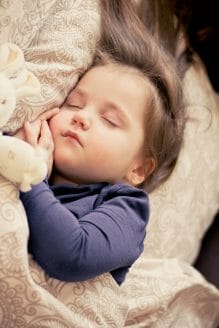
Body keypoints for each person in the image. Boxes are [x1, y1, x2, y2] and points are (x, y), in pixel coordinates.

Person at [18, 0, 185, 286]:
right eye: (73, 104)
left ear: (138, 169)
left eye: (110, 120)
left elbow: (72, 255)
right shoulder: (34, 155)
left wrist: (30, 175)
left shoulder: (126, 209)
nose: (82, 118)